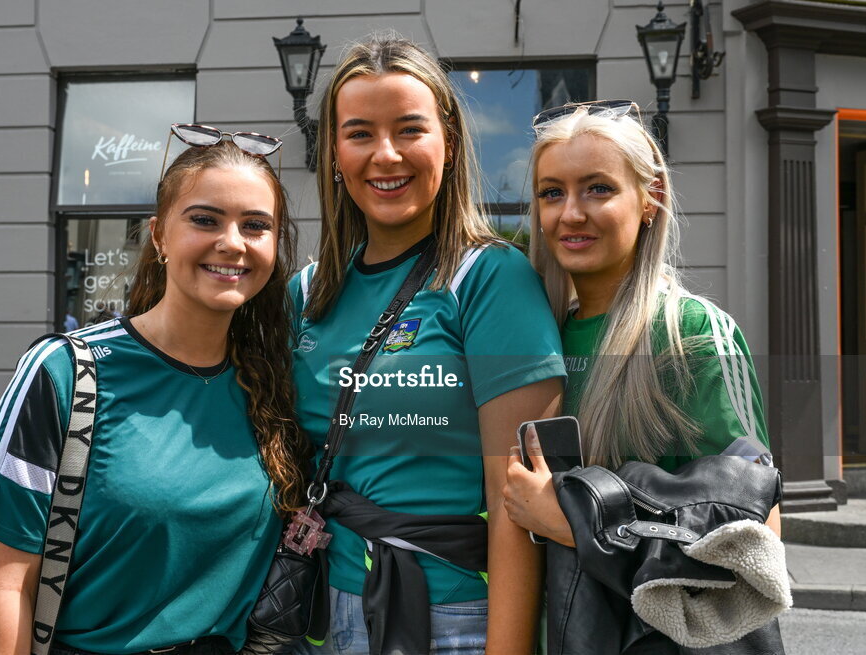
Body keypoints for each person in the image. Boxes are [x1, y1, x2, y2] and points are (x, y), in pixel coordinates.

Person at [0, 137, 308, 655]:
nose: (233, 242)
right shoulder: (67, 372)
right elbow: (7, 588)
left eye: (255, 225)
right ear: (160, 236)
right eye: (205, 220)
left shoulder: (276, 379)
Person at [289, 36, 566, 655]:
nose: (385, 156)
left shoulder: (490, 279)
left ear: (447, 140)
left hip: (455, 619)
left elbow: (517, 499)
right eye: (359, 133)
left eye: (409, 130)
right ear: (334, 151)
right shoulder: (304, 294)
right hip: (322, 615)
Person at [503, 101, 780, 651]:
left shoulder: (692, 333)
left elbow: (755, 542)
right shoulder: (535, 336)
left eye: (598, 189)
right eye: (551, 193)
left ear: (650, 199)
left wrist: (568, 523)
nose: (570, 214)